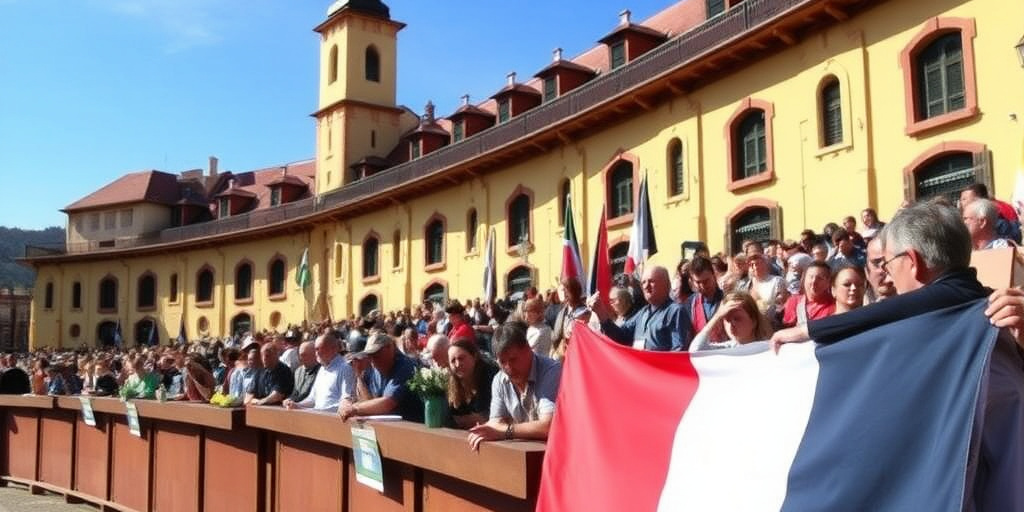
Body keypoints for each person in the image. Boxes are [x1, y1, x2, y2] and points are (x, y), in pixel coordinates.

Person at [771, 201, 1024, 508]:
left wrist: (813, 332)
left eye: (888, 264)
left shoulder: (910, 337)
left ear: (913, 261)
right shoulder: (994, 318)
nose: (887, 277)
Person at [467, 321, 561, 450]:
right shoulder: (499, 380)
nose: (508, 367)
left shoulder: (552, 371)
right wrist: (484, 431)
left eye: (513, 359)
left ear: (528, 349)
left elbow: (549, 426)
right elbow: (496, 423)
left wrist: (506, 431)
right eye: (502, 362)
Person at [590, 265, 692, 351]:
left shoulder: (675, 311)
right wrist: (601, 313)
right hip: (640, 370)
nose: (646, 286)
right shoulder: (643, 313)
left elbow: (679, 351)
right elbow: (621, 337)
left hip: (660, 372)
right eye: (643, 282)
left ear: (667, 285)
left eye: (651, 281)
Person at [338, 333, 422, 422]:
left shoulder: (405, 366)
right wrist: (359, 376)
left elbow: (388, 403)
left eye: (376, 354)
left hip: (412, 428)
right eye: (370, 355)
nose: (373, 360)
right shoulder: (372, 367)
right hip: (387, 428)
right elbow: (368, 404)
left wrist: (354, 408)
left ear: (390, 348)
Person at [284, 332, 355, 413]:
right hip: (318, 417)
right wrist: (296, 405)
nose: (316, 353)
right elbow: (312, 399)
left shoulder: (345, 369)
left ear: (332, 349)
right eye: (315, 349)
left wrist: (308, 410)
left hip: (333, 420)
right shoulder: (322, 369)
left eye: (318, 349)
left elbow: (346, 402)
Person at [689, 291, 774, 351]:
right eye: (727, 319)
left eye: (737, 319)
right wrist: (717, 316)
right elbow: (695, 350)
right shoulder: (726, 349)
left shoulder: (768, 348)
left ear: (754, 321)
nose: (731, 324)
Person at [447, 338, 500, 429]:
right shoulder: (451, 382)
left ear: (474, 356)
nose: (458, 364)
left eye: (461, 358)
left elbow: (489, 418)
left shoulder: (491, 376)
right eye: (453, 361)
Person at [685, 256, 726, 344]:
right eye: (698, 282)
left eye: (706, 281)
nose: (703, 286)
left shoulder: (727, 298)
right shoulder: (689, 303)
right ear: (692, 281)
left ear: (713, 275)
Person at [781, 261, 835, 327]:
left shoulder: (835, 305)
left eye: (820, 278)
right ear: (804, 279)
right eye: (811, 277)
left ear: (828, 282)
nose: (814, 281)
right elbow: (786, 328)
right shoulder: (794, 301)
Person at [550, 277, 590, 360]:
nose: (564, 295)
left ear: (575, 292)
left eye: (567, 291)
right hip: (563, 355)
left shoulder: (584, 312)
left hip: (577, 355)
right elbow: (558, 335)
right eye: (563, 291)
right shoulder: (563, 311)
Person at [864, 237, 896, 304]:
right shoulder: (863, 311)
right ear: (867, 272)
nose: (884, 269)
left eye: (888, 261)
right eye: (876, 263)